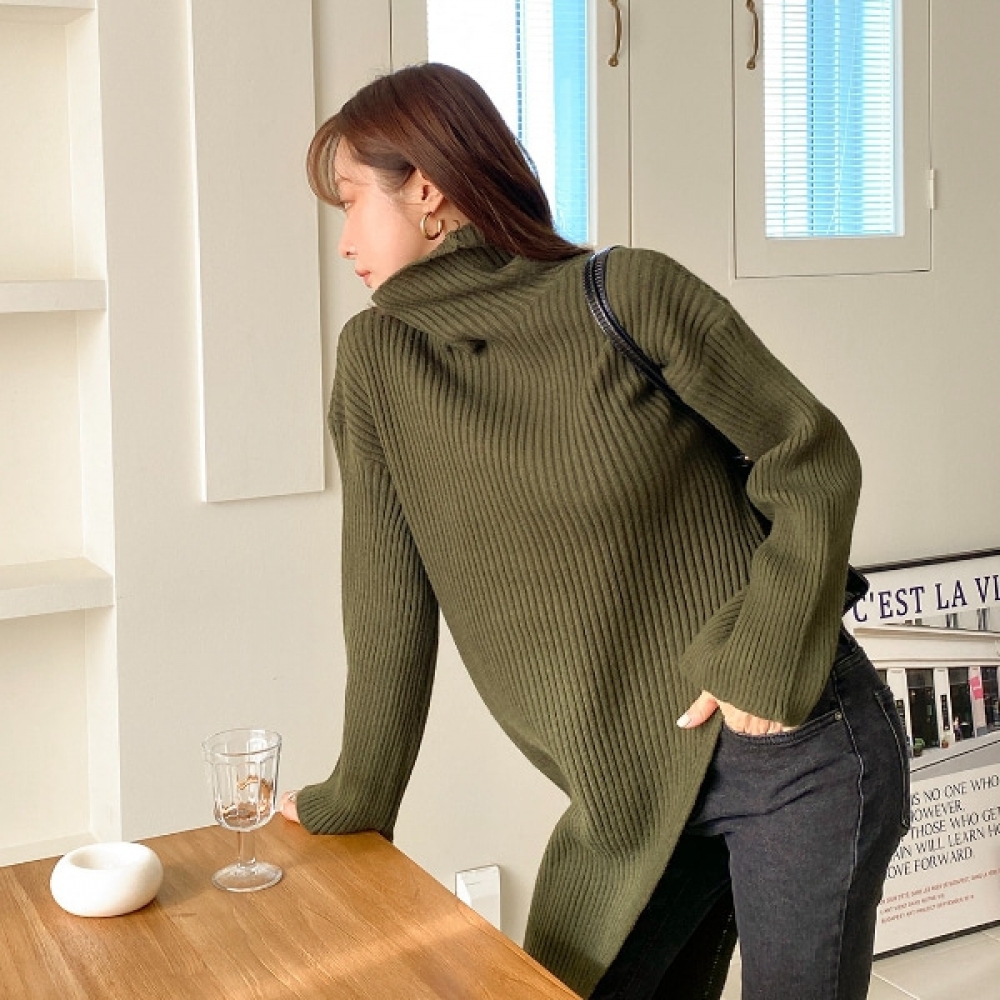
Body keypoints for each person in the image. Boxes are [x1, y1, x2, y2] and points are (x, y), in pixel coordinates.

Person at [278, 63, 910, 1000]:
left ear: (427, 190)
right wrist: (359, 795)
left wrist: (764, 655)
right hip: (630, 801)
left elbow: (808, 455)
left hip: (792, 747)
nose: (343, 242)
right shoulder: (377, 362)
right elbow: (387, 607)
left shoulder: (627, 294)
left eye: (350, 202)